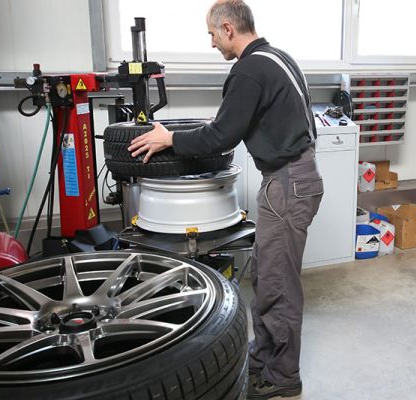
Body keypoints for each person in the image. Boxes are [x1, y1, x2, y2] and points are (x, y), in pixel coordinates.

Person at [128, 1, 324, 398]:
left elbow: (221, 137)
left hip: (287, 183)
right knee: (267, 277)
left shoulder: (248, 70)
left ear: (229, 29)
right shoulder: (276, 56)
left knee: (278, 284)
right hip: (294, 177)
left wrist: (170, 138)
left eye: (212, 34)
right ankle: (264, 356)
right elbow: (234, 123)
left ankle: (283, 377)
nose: (212, 43)